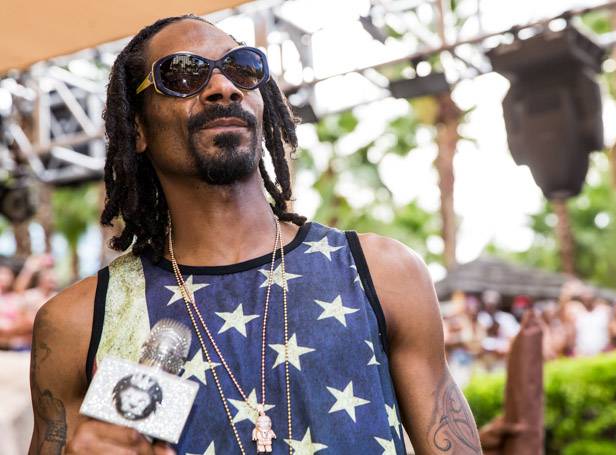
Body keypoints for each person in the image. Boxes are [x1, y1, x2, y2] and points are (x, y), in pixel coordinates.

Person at [29, 15, 481, 455]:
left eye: (241, 68)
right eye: (183, 74)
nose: (223, 86)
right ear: (138, 128)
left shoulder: (383, 273)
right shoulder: (78, 322)